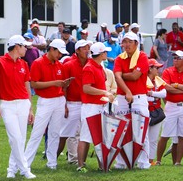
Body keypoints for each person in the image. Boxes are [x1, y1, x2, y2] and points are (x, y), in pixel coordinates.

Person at [0, 35, 36, 179]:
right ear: (17, 47)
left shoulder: (24, 64)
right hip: (7, 105)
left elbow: (27, 86)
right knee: (15, 138)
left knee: (20, 139)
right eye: (24, 46)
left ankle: (11, 169)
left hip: (23, 104)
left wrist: (30, 108)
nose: (26, 49)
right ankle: (25, 169)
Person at [24, 39, 70, 171]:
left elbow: (60, 84)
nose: (60, 55)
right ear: (51, 49)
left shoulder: (59, 64)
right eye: (59, 52)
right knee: (37, 133)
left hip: (59, 100)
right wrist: (54, 83)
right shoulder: (38, 63)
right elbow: (34, 84)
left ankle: (52, 163)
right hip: (45, 101)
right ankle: (26, 164)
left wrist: (63, 84)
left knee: (55, 133)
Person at [113, 32, 150, 169]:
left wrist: (121, 75)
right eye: (125, 41)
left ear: (136, 43)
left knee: (141, 130)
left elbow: (135, 76)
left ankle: (143, 162)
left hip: (139, 97)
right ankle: (121, 162)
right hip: (123, 97)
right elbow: (117, 77)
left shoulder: (143, 56)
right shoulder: (119, 58)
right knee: (121, 130)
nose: (126, 45)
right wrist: (127, 89)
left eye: (130, 42)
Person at [77, 42, 114, 172]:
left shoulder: (98, 66)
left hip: (100, 105)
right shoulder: (89, 68)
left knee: (101, 137)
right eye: (105, 52)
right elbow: (86, 88)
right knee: (85, 137)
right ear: (101, 53)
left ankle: (101, 165)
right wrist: (104, 92)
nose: (107, 54)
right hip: (91, 107)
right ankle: (80, 166)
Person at [56, 40, 92, 165]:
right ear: (77, 50)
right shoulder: (69, 65)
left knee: (84, 134)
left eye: (88, 48)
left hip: (87, 103)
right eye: (84, 48)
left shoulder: (91, 64)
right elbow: (64, 87)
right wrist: (64, 105)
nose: (87, 50)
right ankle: (52, 159)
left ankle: (79, 160)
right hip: (72, 103)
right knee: (64, 134)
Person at [155, 50, 183, 166]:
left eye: (178, 58)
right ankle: (159, 160)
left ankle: (178, 162)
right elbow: (167, 88)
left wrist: (176, 86)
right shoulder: (168, 71)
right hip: (171, 105)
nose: (175, 59)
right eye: (174, 57)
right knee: (165, 134)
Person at [146, 59, 166, 165]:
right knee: (143, 138)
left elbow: (164, 93)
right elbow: (144, 97)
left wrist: (152, 94)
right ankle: (142, 160)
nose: (158, 70)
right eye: (156, 68)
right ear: (150, 69)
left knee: (153, 138)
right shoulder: (143, 79)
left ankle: (150, 160)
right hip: (145, 111)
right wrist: (154, 96)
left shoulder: (157, 79)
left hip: (156, 112)